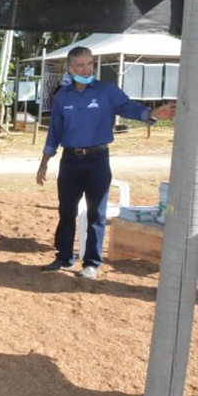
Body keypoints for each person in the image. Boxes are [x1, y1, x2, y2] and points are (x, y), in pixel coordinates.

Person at [37, 46, 175, 279]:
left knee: (96, 213)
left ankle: (91, 263)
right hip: (70, 160)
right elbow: (54, 132)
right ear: (70, 69)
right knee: (66, 210)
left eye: (90, 63)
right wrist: (44, 163)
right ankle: (64, 258)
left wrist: (151, 114)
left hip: (97, 159)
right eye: (80, 65)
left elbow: (128, 107)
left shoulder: (106, 91)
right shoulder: (62, 96)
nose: (87, 68)